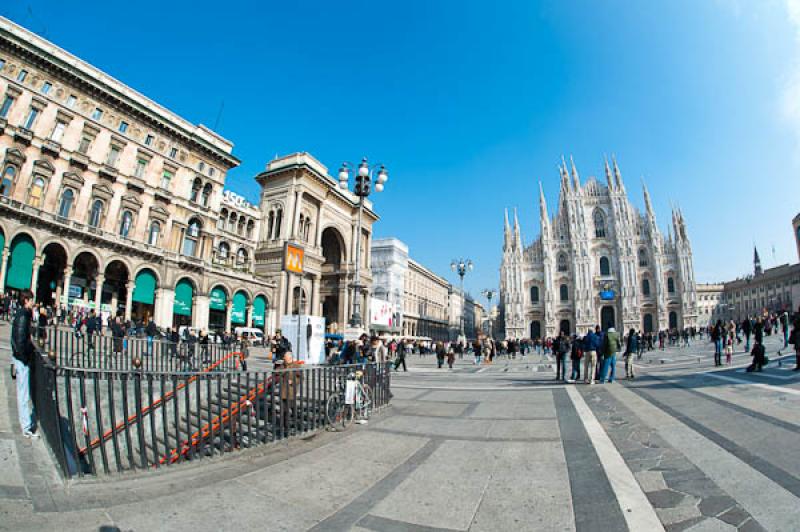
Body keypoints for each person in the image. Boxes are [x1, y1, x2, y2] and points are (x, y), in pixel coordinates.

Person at [11, 290, 39, 439]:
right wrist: (25, 357)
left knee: (23, 393)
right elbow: (20, 339)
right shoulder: (23, 315)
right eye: (31, 300)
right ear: (26, 300)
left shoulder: (22, 314)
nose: (33, 302)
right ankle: (27, 428)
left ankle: (26, 425)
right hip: (22, 360)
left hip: (19, 358)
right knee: (23, 394)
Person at [279, 350, 303, 436]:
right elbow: (277, 374)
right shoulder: (282, 366)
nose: (283, 359)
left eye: (285, 358)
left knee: (293, 410)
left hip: (291, 392)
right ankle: (285, 428)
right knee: (284, 411)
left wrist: (293, 381)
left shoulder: (296, 366)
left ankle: (295, 425)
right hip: (283, 391)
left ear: (289, 358)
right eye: (284, 358)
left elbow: (301, 378)